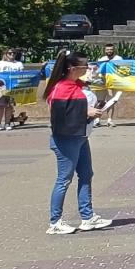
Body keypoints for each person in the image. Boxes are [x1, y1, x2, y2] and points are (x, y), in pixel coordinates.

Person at [41, 50, 109, 234]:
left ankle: (87, 217)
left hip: (80, 137)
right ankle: (55, 222)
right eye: (84, 66)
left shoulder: (75, 85)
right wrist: (86, 113)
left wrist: (91, 110)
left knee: (86, 174)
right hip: (66, 139)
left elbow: (76, 107)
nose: (87, 68)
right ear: (72, 68)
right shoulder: (61, 88)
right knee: (64, 179)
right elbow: (59, 116)